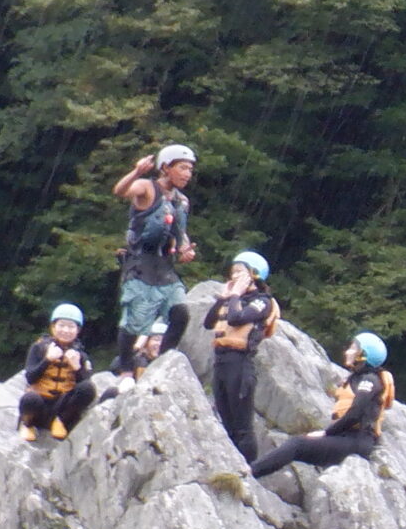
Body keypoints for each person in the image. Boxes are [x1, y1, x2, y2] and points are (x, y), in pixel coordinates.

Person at [252, 333, 395, 477]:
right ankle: (254, 470)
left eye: (353, 348)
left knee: (297, 445)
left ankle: (251, 472)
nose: (347, 352)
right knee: (299, 444)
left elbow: (355, 414)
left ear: (363, 355)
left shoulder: (369, 380)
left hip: (357, 441)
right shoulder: (358, 378)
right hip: (348, 438)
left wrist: (327, 433)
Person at [111, 144, 198, 374]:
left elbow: (180, 233)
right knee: (135, 323)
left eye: (190, 169)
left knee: (180, 312)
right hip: (140, 264)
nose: (187, 174)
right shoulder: (147, 188)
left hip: (164, 267)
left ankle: (162, 361)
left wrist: (185, 250)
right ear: (165, 168)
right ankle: (127, 369)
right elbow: (120, 191)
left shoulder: (182, 201)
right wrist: (137, 171)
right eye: (182, 168)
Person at [202, 250, 279, 459]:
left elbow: (237, 319)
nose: (234, 276)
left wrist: (235, 294)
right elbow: (208, 322)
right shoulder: (232, 299)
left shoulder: (262, 301)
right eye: (233, 271)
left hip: (240, 364)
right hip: (221, 362)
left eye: (240, 272)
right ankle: (231, 464)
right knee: (225, 422)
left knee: (242, 426)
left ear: (254, 275)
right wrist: (223, 298)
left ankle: (249, 469)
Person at [18, 304, 98, 442]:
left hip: (62, 408)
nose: (66, 330)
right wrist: (47, 360)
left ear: (78, 330)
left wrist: (77, 367)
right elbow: (30, 378)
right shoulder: (39, 348)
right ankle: (27, 424)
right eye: (61, 325)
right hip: (40, 403)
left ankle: (60, 421)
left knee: (88, 389)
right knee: (29, 398)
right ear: (53, 327)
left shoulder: (80, 354)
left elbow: (85, 386)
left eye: (71, 327)